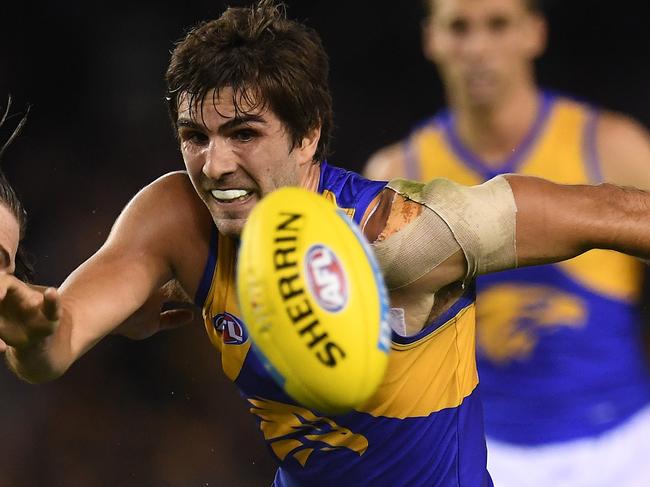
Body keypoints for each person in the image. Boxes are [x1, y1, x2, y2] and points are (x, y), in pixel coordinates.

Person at [2, 2, 650, 485]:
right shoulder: (176, 220)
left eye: (244, 133)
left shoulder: (407, 237)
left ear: (308, 133)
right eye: (194, 135)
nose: (214, 163)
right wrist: (34, 329)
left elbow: (608, 211)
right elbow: (56, 342)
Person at [364, 0, 650, 485]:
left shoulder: (612, 147)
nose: (478, 48)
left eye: (498, 25)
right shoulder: (398, 175)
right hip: (486, 454)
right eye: (459, 28)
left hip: (627, 445)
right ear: (431, 38)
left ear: (534, 33)